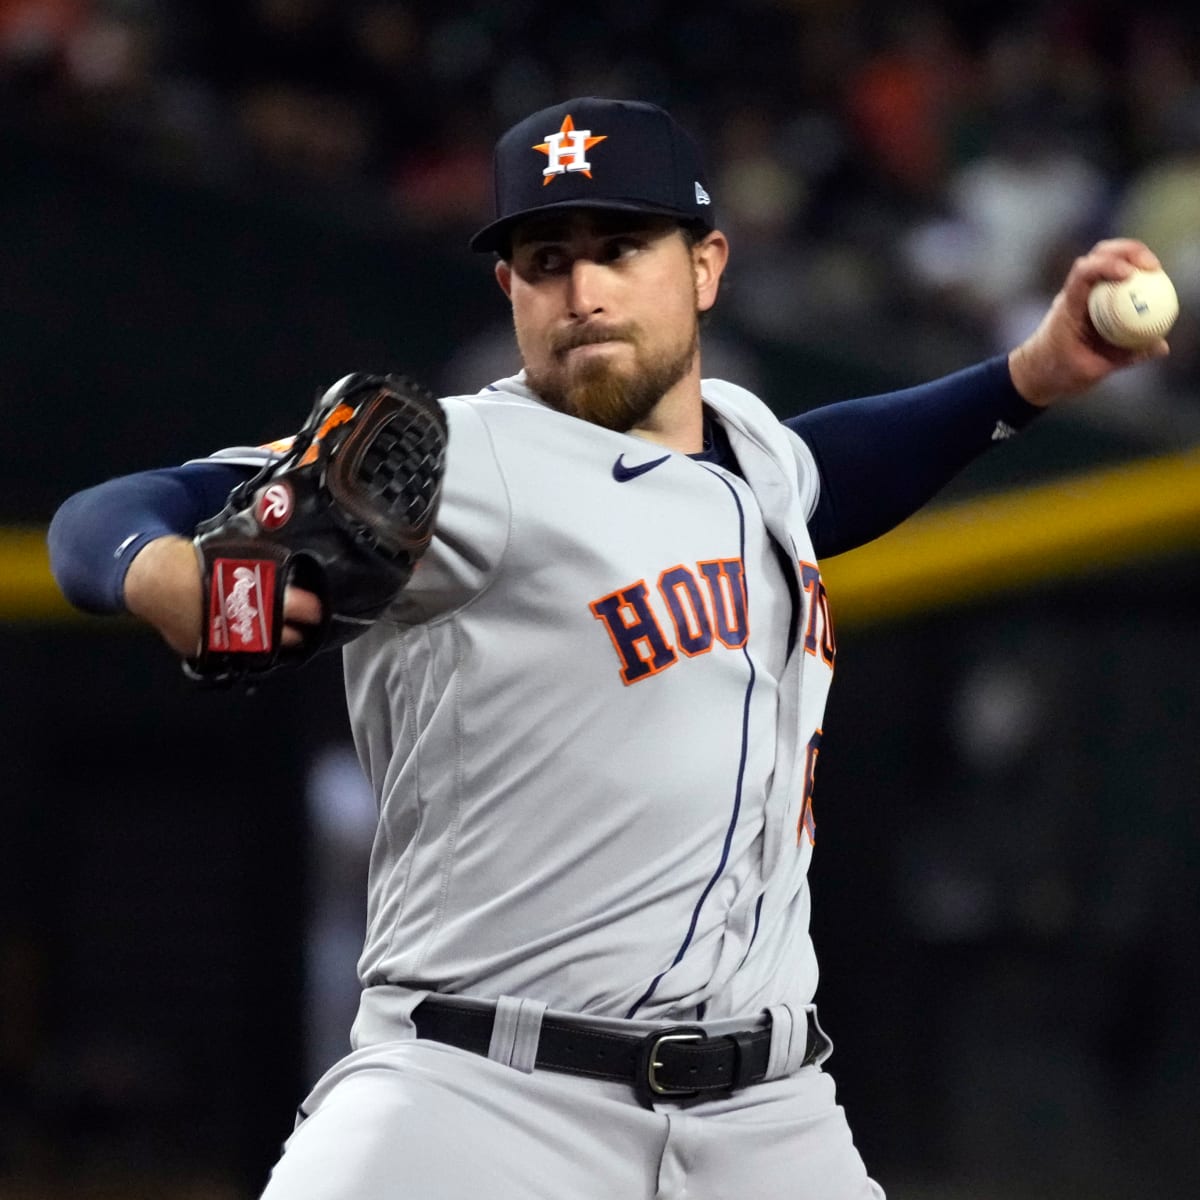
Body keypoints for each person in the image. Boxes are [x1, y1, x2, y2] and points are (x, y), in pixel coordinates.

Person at [47, 97, 1169, 1200]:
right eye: (546, 260)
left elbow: (835, 471)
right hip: (480, 1101)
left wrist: (1027, 381)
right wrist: (158, 569)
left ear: (706, 267)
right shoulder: (464, 456)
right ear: (510, 288)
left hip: (768, 1114)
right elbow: (107, 511)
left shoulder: (754, 451)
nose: (582, 292)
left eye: (621, 248)